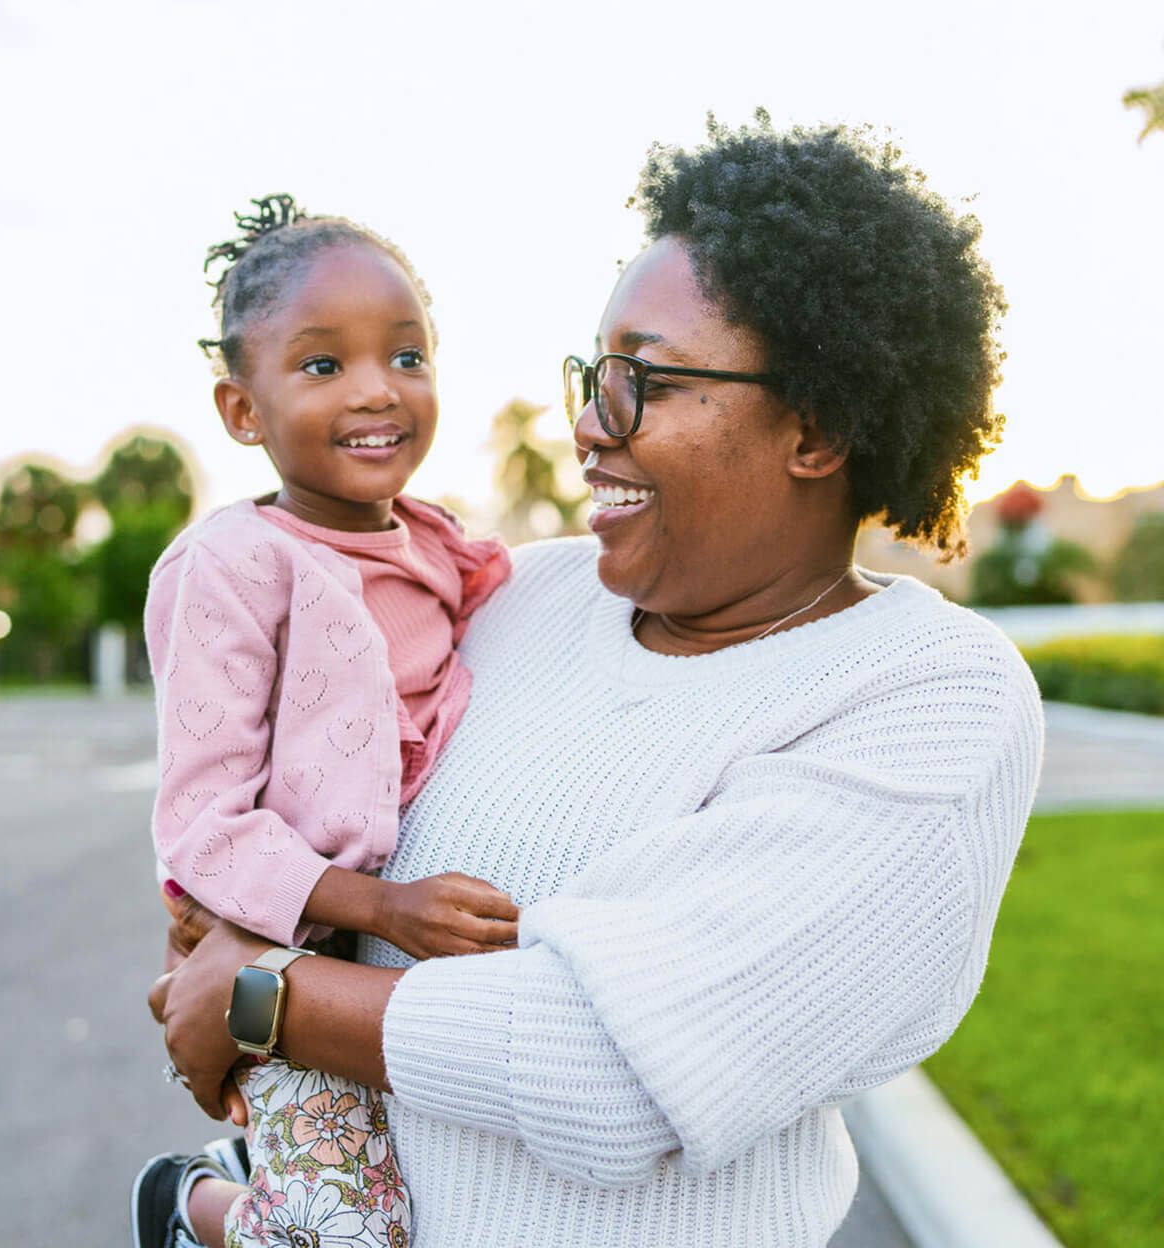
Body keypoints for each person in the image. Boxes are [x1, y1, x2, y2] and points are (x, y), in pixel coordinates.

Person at [148, 116, 1043, 1248]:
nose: (587, 424)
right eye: (593, 374)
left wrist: (258, 997)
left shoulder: (926, 694)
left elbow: (610, 1068)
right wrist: (225, 919)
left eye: (643, 383)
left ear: (815, 429)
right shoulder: (521, 594)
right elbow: (293, 786)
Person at [131, 196, 518, 1248]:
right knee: (348, 1233)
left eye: (406, 355)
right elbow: (202, 825)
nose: (377, 392)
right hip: (281, 943)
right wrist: (384, 908)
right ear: (240, 410)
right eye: (322, 366)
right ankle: (188, 1207)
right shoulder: (233, 566)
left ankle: (244, 1188)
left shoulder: (443, 553)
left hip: (379, 969)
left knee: (412, 1200)